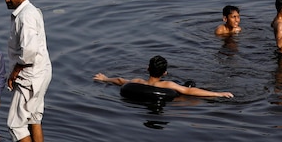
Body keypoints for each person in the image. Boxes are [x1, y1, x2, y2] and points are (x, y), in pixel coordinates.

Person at [3, 0, 52, 142]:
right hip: (41, 71)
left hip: (30, 75)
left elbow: (29, 51)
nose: (7, 0)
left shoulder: (25, 16)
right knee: (34, 117)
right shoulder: (32, 11)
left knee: (15, 124)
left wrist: (15, 71)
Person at [94, 55, 234, 98]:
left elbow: (120, 80)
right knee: (190, 84)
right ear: (164, 73)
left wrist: (105, 78)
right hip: (173, 91)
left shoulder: (137, 81)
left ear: (147, 69)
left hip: (140, 88)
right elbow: (189, 91)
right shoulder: (168, 85)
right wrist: (218, 94)